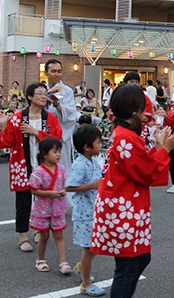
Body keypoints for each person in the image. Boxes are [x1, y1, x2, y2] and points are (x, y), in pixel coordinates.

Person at [91, 84, 174, 297]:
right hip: (123, 208)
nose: (147, 114)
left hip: (124, 206)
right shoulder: (126, 136)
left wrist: (160, 149)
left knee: (138, 259)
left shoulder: (125, 134)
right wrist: (165, 150)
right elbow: (145, 171)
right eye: (144, 109)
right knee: (128, 267)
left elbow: (138, 163)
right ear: (134, 110)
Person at [0, 82, 62, 252]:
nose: (43, 97)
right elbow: (8, 142)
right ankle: (23, 235)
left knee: (42, 200)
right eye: (39, 93)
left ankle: (39, 230)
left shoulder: (50, 118)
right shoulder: (17, 118)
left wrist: (36, 132)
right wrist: (3, 124)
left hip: (43, 165)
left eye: (45, 94)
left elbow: (56, 139)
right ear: (30, 97)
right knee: (23, 201)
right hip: (22, 163)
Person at [65, 124, 106, 296]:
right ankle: (86, 283)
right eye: (98, 142)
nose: (101, 145)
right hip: (85, 213)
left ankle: (81, 267)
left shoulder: (93, 161)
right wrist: (91, 186)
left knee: (96, 246)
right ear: (87, 147)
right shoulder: (80, 164)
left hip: (94, 210)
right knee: (89, 248)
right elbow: (69, 186)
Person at [28, 137, 72, 274]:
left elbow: (66, 184)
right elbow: (33, 190)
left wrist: (64, 191)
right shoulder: (38, 172)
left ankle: (63, 262)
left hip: (57, 208)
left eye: (59, 151)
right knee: (44, 235)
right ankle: (41, 259)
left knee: (59, 235)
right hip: (43, 210)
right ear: (44, 154)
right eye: (55, 151)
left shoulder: (62, 170)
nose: (58, 154)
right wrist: (49, 193)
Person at [45, 59, 78, 173]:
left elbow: (71, 114)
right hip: (44, 133)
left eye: (59, 71)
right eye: (53, 71)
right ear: (46, 73)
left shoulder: (67, 91)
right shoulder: (41, 90)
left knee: (62, 168)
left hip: (61, 133)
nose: (57, 74)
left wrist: (57, 103)